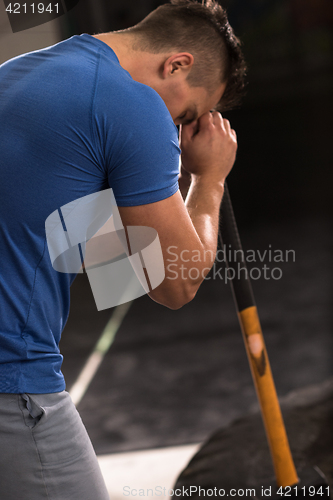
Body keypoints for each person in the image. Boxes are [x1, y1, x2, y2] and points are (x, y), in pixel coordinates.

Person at [0, 0, 246, 498]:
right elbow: (174, 283)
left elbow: (71, 247)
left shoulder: (18, 72)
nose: (180, 128)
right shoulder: (133, 103)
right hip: (12, 375)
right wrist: (209, 178)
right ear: (177, 64)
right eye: (189, 113)